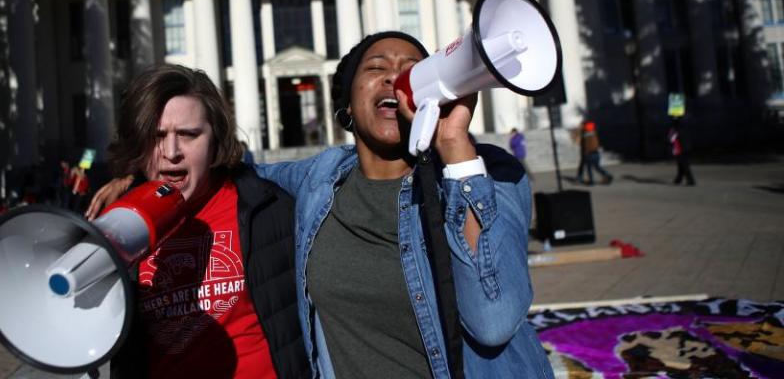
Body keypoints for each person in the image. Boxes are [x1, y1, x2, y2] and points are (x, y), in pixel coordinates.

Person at [93, 32, 553, 378]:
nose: (397, 75)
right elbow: (229, 166)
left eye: (414, 66)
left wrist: (454, 147)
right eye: (377, 67)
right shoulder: (319, 180)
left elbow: (493, 321)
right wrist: (137, 178)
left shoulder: (488, 174)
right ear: (347, 106)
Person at [87, 64, 308, 378]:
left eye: (188, 135)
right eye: (156, 136)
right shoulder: (115, 221)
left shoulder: (270, 208)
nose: (171, 152)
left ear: (215, 139)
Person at [575, 119, 613, 185]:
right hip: (596, 152)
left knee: (589, 168)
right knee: (597, 167)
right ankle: (606, 174)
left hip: (589, 153)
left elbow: (579, 142)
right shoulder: (593, 131)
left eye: (582, 125)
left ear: (584, 126)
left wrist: (579, 130)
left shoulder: (584, 134)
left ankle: (591, 181)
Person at [667, 118, 695, 186]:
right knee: (681, 163)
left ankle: (690, 180)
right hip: (683, 147)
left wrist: (670, 136)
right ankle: (679, 179)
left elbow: (671, 138)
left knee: (683, 164)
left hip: (680, 148)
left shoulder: (676, 128)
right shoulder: (683, 127)